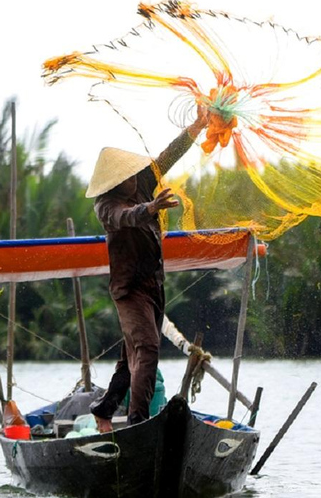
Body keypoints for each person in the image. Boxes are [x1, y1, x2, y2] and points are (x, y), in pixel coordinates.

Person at [87, 105, 210, 431]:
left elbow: (168, 156)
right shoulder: (107, 205)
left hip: (153, 285)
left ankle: (105, 407)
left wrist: (195, 128)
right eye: (126, 176)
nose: (134, 178)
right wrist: (150, 207)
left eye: (134, 174)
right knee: (147, 348)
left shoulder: (142, 182)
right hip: (129, 290)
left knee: (133, 356)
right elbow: (127, 217)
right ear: (114, 183)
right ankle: (139, 423)